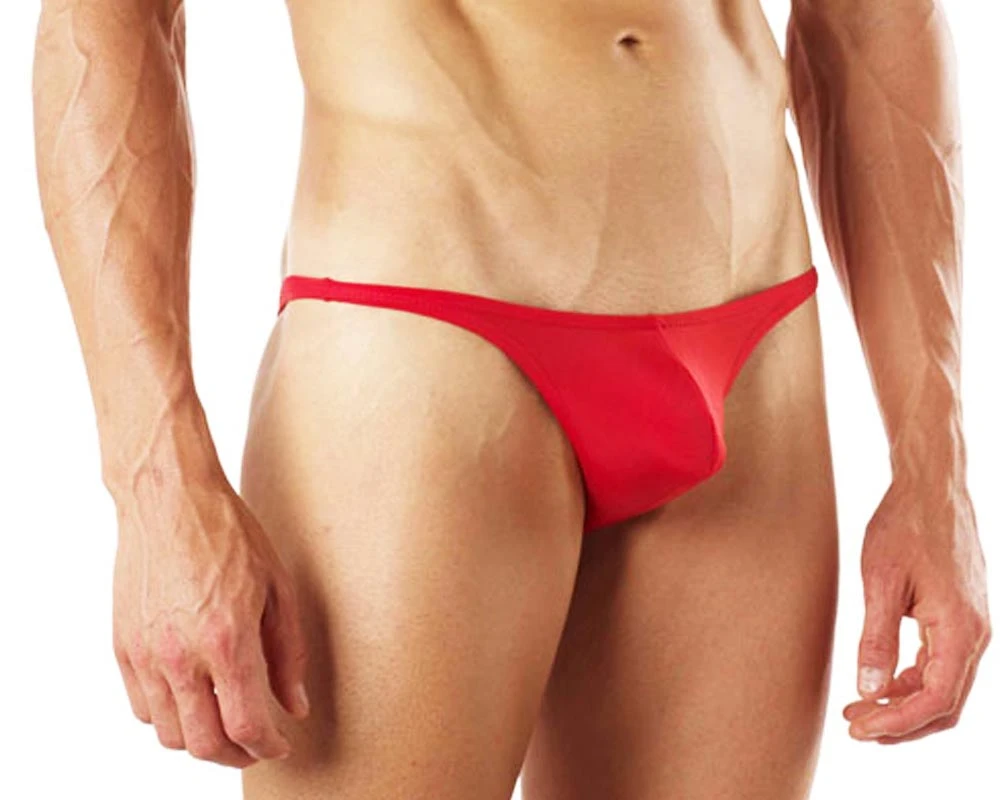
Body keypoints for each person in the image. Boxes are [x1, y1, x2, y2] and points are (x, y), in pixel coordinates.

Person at [32, 0, 990, 797]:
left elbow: (873, 16)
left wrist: (933, 464)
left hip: (755, 349)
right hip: (427, 344)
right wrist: (156, 484)